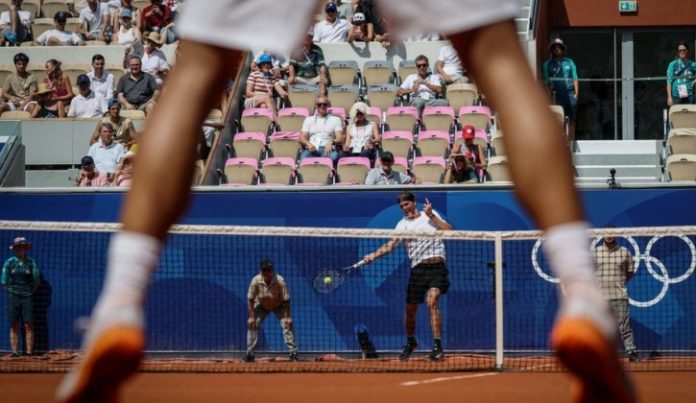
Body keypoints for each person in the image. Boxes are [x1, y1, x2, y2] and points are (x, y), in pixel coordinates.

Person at [57, 1, 635, 402]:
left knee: (196, 72)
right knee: (503, 65)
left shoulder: (422, 217)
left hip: (428, 265)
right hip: (418, 265)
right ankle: (582, 296)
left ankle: (121, 304)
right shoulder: (410, 221)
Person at [363, 191, 452, 361]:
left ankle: (437, 345)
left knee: (432, 301)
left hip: (437, 267)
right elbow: (390, 246)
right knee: (410, 311)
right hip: (417, 270)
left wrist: (432, 215)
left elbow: (449, 231)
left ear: (414, 202)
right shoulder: (401, 225)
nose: (405, 208)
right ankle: (411, 341)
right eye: (402, 206)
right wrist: (372, 256)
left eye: (407, 204)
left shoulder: (429, 216)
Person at [594, 232, 639, 362]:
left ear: (616, 236)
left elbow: (629, 273)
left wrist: (620, 284)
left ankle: (631, 352)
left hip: (619, 296)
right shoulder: (595, 253)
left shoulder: (624, 252)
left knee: (624, 326)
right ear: (602, 236)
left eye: (611, 233)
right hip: (600, 298)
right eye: (606, 234)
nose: (609, 236)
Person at [242, 259, 298, 363]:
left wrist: (288, 317)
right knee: (253, 325)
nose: (267, 272)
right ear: (261, 271)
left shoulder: (280, 280)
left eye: (269, 270)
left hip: (279, 305)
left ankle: (293, 353)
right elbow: (250, 299)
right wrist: (251, 317)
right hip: (261, 305)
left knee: (287, 325)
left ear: (272, 270)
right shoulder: (255, 280)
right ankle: (249, 354)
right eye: (265, 270)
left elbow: (286, 299)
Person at [2, 237, 40, 357]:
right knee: (14, 324)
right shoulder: (9, 262)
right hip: (13, 295)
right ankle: (14, 352)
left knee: (28, 324)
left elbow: (36, 280)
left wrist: (30, 291)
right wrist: (11, 291)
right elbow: (4, 280)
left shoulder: (31, 262)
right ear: (15, 248)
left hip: (27, 296)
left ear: (25, 248)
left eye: (22, 246)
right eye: (18, 247)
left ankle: (29, 352)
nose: (20, 249)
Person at [542, 38, 578, 140]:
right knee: (559, 119)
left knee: (572, 119)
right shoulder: (547, 64)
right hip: (556, 95)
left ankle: (571, 142)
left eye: (559, 47)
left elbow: (575, 78)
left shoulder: (569, 62)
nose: (557, 49)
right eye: (554, 47)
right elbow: (546, 82)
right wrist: (549, 95)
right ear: (551, 50)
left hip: (570, 94)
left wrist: (576, 94)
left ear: (563, 49)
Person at [299, 95, 343, 162]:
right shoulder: (309, 119)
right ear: (316, 106)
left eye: (324, 104)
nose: (322, 106)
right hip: (312, 147)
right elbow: (301, 138)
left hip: (327, 148)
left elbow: (340, 138)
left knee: (333, 156)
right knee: (304, 157)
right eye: (319, 104)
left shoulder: (335, 119)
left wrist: (331, 142)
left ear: (327, 105)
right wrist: (308, 144)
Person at [1, 52, 39, 117]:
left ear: (26, 64)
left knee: (33, 107)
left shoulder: (32, 77)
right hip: (14, 102)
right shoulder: (10, 77)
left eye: (24, 64)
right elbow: (3, 93)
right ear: (15, 64)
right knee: (1, 107)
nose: (21, 66)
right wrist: (11, 97)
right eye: (19, 64)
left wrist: (21, 106)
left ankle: (31, 126)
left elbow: (31, 95)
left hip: (27, 102)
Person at [666, 41, 696, 107]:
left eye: (684, 50)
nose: (682, 52)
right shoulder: (672, 64)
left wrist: (694, 82)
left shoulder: (693, 64)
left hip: (689, 96)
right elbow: (669, 81)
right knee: (677, 116)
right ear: (677, 52)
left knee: (689, 116)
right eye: (680, 50)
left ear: (687, 51)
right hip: (676, 96)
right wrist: (669, 97)